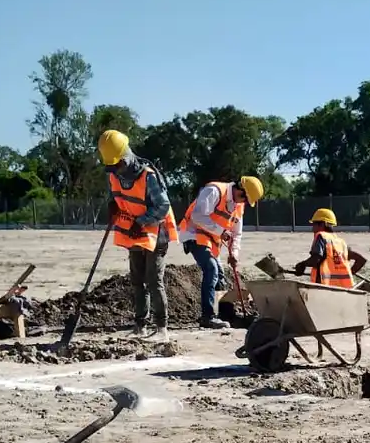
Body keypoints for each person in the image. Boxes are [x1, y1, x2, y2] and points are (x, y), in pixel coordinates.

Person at [98, 130, 178, 340]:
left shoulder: (148, 177)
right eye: (111, 168)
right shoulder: (115, 175)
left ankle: (161, 329)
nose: (115, 171)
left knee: (153, 280)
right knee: (137, 281)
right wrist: (112, 206)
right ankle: (140, 326)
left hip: (155, 233)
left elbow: (162, 206)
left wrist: (141, 222)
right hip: (134, 233)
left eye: (117, 166)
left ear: (126, 159)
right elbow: (116, 196)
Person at [180, 176, 265, 330]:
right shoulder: (214, 191)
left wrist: (234, 254)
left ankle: (225, 314)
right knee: (211, 269)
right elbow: (197, 216)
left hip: (212, 240)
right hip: (194, 234)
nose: (243, 202)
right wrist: (221, 231)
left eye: (246, 201)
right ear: (239, 189)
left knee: (220, 276)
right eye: (244, 198)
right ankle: (208, 317)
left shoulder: (238, 206)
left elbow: (236, 234)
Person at [293, 208, 367, 287]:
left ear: (322, 224)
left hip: (324, 287)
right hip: (344, 289)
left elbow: (316, 259)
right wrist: (349, 273)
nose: (312, 229)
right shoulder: (341, 242)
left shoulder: (321, 237)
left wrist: (302, 265)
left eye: (314, 224)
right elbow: (361, 260)